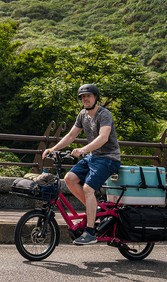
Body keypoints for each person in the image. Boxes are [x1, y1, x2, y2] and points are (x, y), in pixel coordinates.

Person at [42, 83, 121, 245]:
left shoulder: (105, 114)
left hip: (109, 158)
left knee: (88, 188)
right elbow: (71, 135)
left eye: (89, 96)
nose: (85, 99)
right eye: (83, 97)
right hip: (93, 157)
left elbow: (103, 137)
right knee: (70, 178)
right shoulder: (83, 115)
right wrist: (53, 149)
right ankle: (96, 210)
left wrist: (83, 149)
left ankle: (90, 232)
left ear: (96, 97)